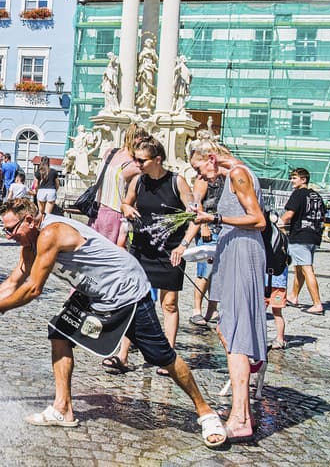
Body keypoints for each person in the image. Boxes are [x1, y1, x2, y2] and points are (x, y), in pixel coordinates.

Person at [0, 197, 227, 448]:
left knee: (160, 355)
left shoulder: (50, 233)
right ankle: (62, 409)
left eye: (12, 229)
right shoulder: (30, 241)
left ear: (29, 220)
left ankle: (206, 413)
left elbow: (33, 289)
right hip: (95, 293)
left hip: (126, 290)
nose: (8, 235)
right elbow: (17, 278)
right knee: (59, 333)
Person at [189, 140, 267, 442]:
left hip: (243, 252)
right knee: (227, 328)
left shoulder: (237, 174)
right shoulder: (233, 176)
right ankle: (240, 410)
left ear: (211, 158)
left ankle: (240, 418)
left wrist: (215, 219)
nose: (203, 177)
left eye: (200, 170)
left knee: (236, 334)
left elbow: (258, 220)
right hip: (233, 249)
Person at [114, 137, 198, 375]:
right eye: (136, 160)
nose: (137, 164)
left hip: (169, 251)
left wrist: (183, 245)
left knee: (168, 304)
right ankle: (123, 354)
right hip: (141, 249)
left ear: (157, 159)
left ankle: (167, 357)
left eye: (142, 160)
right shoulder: (138, 181)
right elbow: (126, 203)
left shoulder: (176, 182)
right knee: (134, 301)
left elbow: (194, 217)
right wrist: (126, 208)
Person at [89, 124, 146, 245]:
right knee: (109, 255)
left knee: (93, 252)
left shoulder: (109, 153)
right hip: (114, 213)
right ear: (137, 139)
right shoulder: (134, 165)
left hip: (96, 209)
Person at [281, 168, 325, 315]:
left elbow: (289, 214)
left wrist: (276, 224)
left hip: (300, 235)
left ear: (303, 179)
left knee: (307, 269)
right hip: (314, 235)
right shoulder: (317, 196)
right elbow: (322, 216)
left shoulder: (298, 194)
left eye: (294, 178)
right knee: (299, 267)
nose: (292, 181)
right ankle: (293, 296)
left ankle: (317, 304)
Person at [188, 175, 223, 327]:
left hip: (222, 228)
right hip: (208, 229)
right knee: (204, 271)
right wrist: (203, 226)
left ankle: (212, 309)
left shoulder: (226, 178)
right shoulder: (203, 180)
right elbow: (197, 204)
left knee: (217, 273)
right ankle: (196, 310)